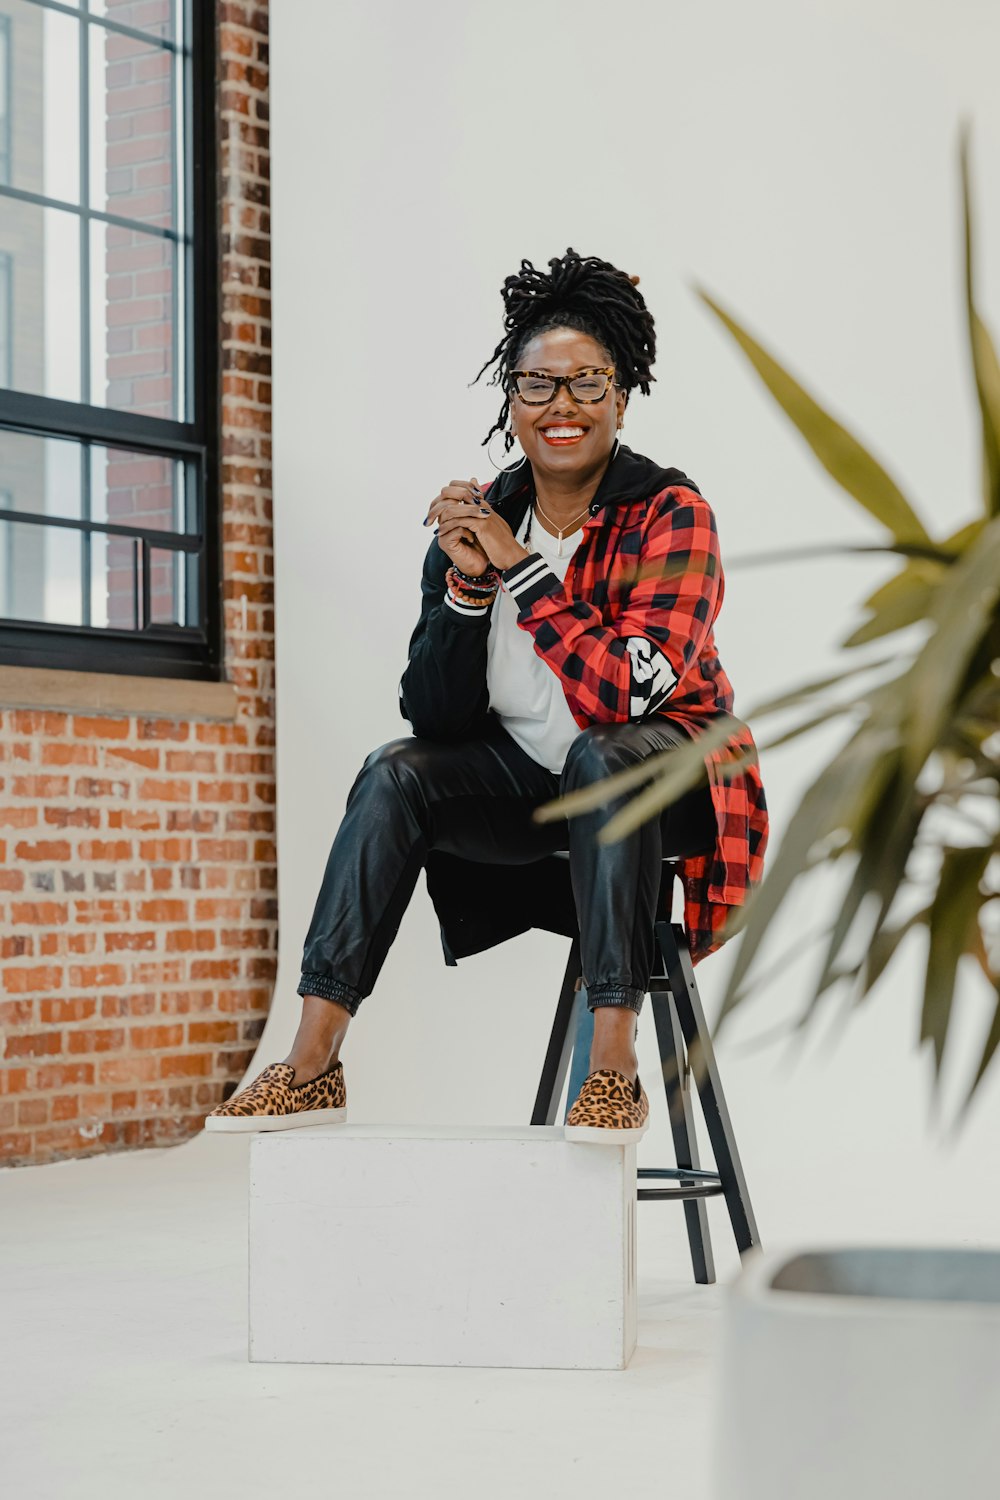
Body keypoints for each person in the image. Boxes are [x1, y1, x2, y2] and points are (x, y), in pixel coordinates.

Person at [205, 248, 768, 1141]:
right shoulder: (481, 521)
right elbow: (436, 718)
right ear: (510, 399)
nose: (562, 406)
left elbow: (628, 695)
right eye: (538, 384)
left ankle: (612, 1069)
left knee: (602, 753)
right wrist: (468, 589)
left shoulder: (671, 512)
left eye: (587, 382)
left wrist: (522, 570)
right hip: (536, 791)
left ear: (622, 397)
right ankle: (311, 1061)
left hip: (664, 785)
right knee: (394, 772)